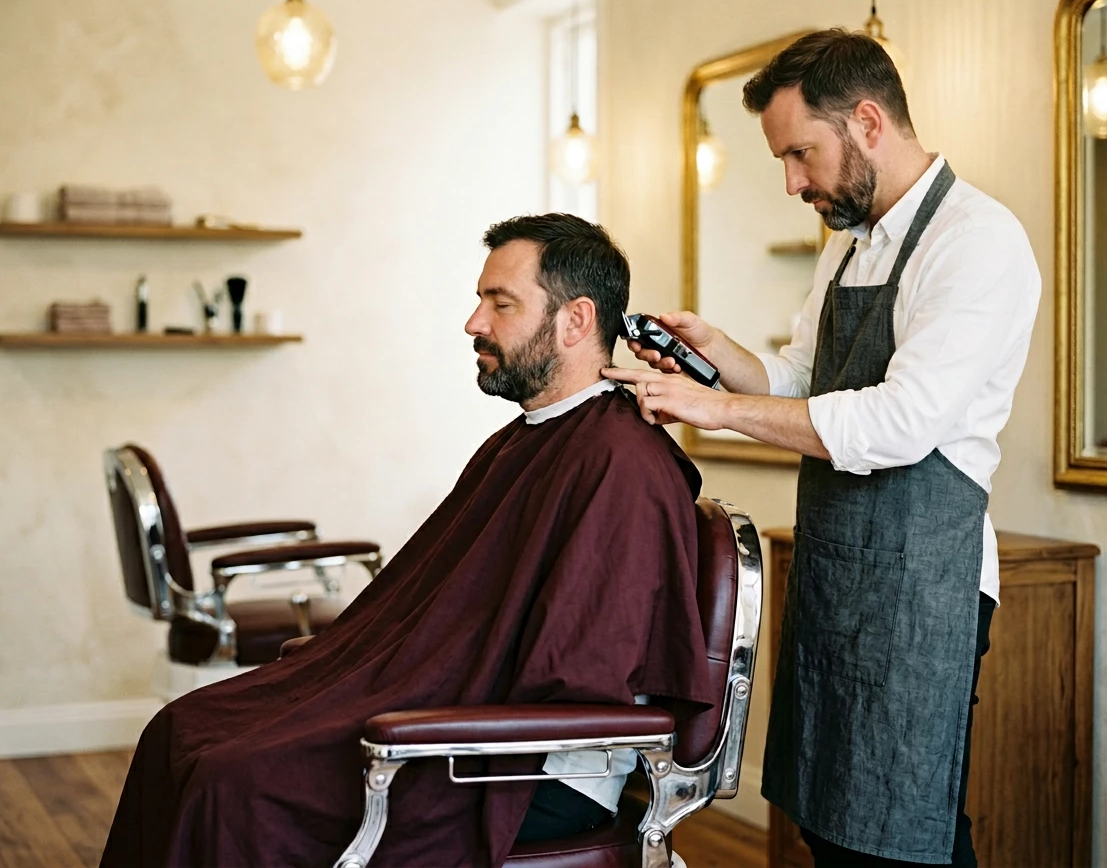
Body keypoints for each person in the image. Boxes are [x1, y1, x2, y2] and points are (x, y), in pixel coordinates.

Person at [101, 213, 714, 868]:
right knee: (181, 730)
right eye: (480, 300)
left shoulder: (620, 464)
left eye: (499, 303)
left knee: (235, 784)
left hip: (525, 770)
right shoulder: (526, 441)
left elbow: (582, 677)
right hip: (463, 723)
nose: (473, 322)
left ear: (575, 321)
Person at [604, 30, 1040, 867]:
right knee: (829, 824)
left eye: (802, 153)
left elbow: (899, 423)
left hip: (925, 585)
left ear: (869, 121)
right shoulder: (848, 242)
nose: (794, 182)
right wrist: (720, 353)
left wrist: (718, 408)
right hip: (839, 572)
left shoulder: (977, 242)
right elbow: (804, 375)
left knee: (907, 831)